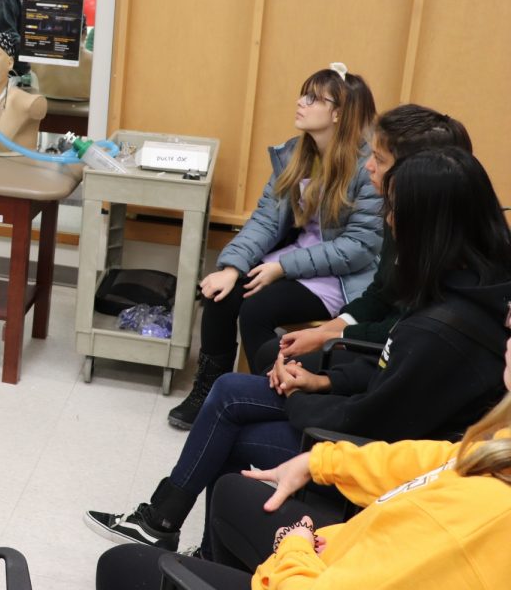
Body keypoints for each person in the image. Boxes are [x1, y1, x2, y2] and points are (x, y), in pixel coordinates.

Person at [85, 147, 511, 556]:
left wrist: (301, 395)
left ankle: (201, 553)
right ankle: (170, 530)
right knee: (232, 388)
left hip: (369, 449)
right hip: (373, 419)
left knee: (233, 443)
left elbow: (372, 420)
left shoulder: (440, 329)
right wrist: (322, 379)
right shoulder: (465, 284)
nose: (388, 220)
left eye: (395, 210)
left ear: (427, 226)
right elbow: (393, 375)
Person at [93, 296, 511, 590]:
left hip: (320, 564)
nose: (506, 326)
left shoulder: (481, 516)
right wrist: (320, 460)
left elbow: (376, 414)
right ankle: (170, 531)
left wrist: (293, 546)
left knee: (121, 566)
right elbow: (430, 457)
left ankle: (163, 527)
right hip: (340, 546)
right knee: (230, 473)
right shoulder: (498, 449)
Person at [168, 64, 382, 429]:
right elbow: (266, 220)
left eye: (313, 98)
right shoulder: (297, 154)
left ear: (338, 113)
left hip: (338, 276)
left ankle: (268, 397)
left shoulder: (367, 168)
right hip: (293, 260)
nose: (301, 102)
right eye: (303, 94)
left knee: (256, 309)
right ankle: (209, 386)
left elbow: (357, 248)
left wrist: (282, 268)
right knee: (223, 292)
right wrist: (232, 267)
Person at [249, 104, 473, 373]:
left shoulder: (448, 247)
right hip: (380, 342)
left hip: (396, 362)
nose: (368, 166)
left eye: (379, 159)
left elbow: (405, 328)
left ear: (417, 171)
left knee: (265, 371)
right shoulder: (397, 217)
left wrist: (332, 337)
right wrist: (330, 329)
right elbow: (380, 293)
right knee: (270, 352)